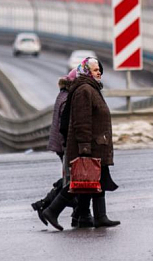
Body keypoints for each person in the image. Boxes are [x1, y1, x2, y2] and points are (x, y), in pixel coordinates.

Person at [42, 57, 120, 231]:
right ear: (86, 71)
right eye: (94, 70)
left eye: (99, 69)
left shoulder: (90, 88)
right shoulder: (84, 90)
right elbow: (81, 122)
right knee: (80, 182)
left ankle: (94, 216)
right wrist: (84, 148)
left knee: (94, 181)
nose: (99, 71)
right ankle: (52, 211)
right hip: (89, 146)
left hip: (96, 144)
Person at [32, 69, 91, 228]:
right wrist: (70, 147)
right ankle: (47, 206)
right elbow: (66, 126)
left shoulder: (64, 94)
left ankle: (78, 214)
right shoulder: (68, 98)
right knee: (75, 181)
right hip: (66, 145)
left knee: (74, 179)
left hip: (62, 145)